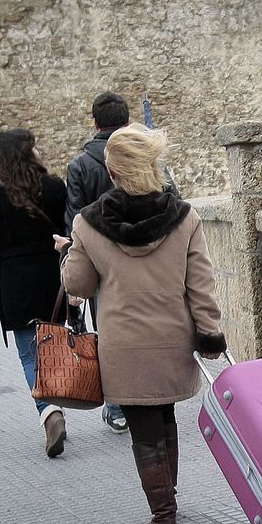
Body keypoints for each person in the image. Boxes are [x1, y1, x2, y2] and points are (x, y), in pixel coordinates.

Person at [61, 124, 224, 524]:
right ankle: (169, 499)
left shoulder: (88, 224)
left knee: (144, 429)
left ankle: (163, 514)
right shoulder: (184, 217)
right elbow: (200, 285)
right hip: (173, 338)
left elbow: (77, 286)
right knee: (165, 416)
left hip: (124, 345)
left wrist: (68, 254)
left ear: (112, 173)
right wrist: (210, 334)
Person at [65, 91, 177, 434]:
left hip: (103, 266)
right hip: (153, 258)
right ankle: (157, 393)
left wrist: (73, 253)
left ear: (95, 122)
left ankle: (117, 406)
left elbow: (73, 218)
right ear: (126, 120)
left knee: (111, 331)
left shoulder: (80, 166)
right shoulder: (146, 160)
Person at [0, 129, 70, 458]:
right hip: (51, 277)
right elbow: (68, 228)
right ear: (30, 152)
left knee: (29, 353)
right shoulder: (55, 187)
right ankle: (56, 403)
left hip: (14, 281)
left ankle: (49, 412)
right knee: (55, 346)